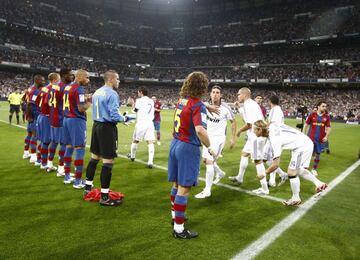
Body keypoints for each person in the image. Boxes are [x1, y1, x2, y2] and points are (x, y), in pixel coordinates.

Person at [168, 71, 217, 239]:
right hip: (187, 147)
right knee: (184, 187)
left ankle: (175, 218)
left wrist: (205, 106)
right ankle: (179, 229)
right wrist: (210, 147)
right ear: (202, 86)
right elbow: (200, 130)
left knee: (176, 184)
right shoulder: (197, 105)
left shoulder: (182, 100)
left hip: (175, 143)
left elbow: (192, 106)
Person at [253, 121, 327, 206]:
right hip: (303, 142)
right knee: (298, 170)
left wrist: (264, 173)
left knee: (291, 173)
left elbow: (275, 164)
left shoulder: (274, 139)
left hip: (302, 146)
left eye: (254, 130)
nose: (253, 132)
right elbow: (272, 122)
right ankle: (319, 184)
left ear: (259, 129)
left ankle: (296, 198)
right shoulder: (272, 126)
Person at [85, 70, 128, 206]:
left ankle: (87, 188)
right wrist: (125, 118)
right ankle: (104, 197)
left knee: (94, 158)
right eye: (117, 79)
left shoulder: (97, 92)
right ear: (111, 80)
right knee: (108, 162)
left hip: (96, 126)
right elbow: (115, 116)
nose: (119, 81)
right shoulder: (112, 93)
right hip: (107, 128)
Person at [194, 85, 236, 199]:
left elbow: (233, 122)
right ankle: (220, 173)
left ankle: (207, 190)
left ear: (221, 95)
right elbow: (198, 103)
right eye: (213, 92)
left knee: (209, 161)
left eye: (218, 92)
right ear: (210, 94)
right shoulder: (205, 105)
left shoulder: (226, 108)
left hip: (218, 138)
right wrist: (207, 105)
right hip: (207, 137)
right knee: (206, 160)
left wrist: (233, 138)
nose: (215, 94)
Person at [228, 87, 269, 195]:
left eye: (238, 94)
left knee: (257, 161)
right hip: (253, 135)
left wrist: (239, 131)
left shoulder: (250, 105)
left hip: (257, 135)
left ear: (244, 95)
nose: (237, 96)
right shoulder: (248, 104)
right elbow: (246, 120)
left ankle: (264, 188)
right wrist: (239, 108)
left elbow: (249, 124)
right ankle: (240, 178)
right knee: (244, 153)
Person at [62, 69, 91, 188]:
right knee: (80, 148)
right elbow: (81, 108)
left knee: (68, 147)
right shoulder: (79, 88)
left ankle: (67, 176)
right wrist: (90, 101)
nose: (88, 80)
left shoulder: (68, 87)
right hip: (76, 120)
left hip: (66, 119)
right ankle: (78, 181)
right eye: (87, 77)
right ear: (79, 77)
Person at [47, 68, 73, 176]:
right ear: (64, 75)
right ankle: (61, 168)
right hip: (61, 118)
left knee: (53, 141)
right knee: (63, 143)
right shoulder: (64, 87)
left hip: (53, 117)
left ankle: (49, 164)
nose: (72, 77)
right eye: (70, 75)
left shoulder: (53, 87)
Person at [37, 73, 60, 170]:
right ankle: (46, 163)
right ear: (54, 80)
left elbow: (37, 101)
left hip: (41, 116)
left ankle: (42, 161)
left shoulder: (43, 88)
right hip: (47, 117)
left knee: (43, 141)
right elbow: (47, 102)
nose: (59, 81)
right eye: (58, 79)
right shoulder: (52, 89)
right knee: (50, 141)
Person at [128, 87, 155, 168]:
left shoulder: (139, 100)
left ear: (141, 92)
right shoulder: (151, 100)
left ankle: (132, 157)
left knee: (135, 140)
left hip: (141, 122)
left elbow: (134, 111)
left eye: (138, 92)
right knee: (150, 142)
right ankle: (150, 162)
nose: (138, 94)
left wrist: (132, 103)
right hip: (150, 123)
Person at [263, 95, 287, 187]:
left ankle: (272, 181)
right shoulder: (278, 110)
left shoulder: (274, 110)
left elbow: (271, 123)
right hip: (272, 137)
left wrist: (261, 126)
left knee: (272, 159)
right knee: (264, 158)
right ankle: (282, 174)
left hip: (274, 137)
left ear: (270, 102)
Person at [303, 101, 331, 176]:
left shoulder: (327, 117)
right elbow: (306, 125)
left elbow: (328, 128)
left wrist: (326, 136)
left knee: (318, 154)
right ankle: (304, 168)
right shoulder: (312, 115)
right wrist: (303, 134)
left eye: (325, 106)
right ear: (318, 106)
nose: (325, 108)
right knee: (308, 153)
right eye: (323, 106)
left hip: (320, 139)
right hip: (310, 138)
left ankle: (314, 169)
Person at [27, 75, 46, 166]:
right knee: (35, 136)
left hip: (37, 115)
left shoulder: (33, 89)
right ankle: (34, 155)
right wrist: (30, 117)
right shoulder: (35, 91)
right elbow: (30, 104)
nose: (44, 81)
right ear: (37, 80)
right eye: (42, 80)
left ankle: (33, 154)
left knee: (35, 136)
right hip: (35, 116)